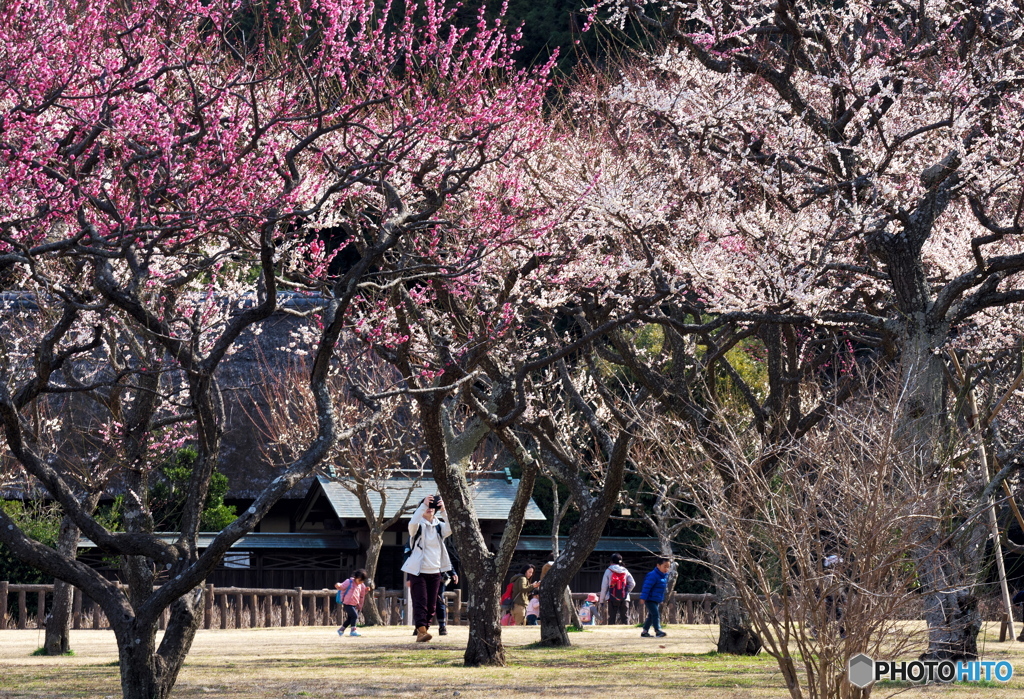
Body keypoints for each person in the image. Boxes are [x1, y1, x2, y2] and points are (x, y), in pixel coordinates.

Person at [401, 494, 453, 642]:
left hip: (435, 571)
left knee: (431, 606)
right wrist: (423, 504)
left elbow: (450, 528)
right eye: (427, 507)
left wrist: (443, 510)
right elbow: (412, 524)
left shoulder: (439, 526)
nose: (430, 509)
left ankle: (422, 630)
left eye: (432, 507)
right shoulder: (417, 527)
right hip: (418, 571)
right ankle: (422, 631)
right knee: (420, 602)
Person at [599, 553, 636, 625]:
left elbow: (604, 587)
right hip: (624, 597)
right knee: (625, 618)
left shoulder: (608, 570)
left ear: (611, 561)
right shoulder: (625, 570)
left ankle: (611, 634)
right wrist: (626, 591)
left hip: (611, 597)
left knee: (612, 618)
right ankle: (627, 634)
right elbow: (633, 583)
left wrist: (601, 600)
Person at [639, 557, 672, 638]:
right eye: (665, 566)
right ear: (658, 565)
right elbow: (646, 587)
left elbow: (660, 590)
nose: (666, 569)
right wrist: (643, 598)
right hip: (650, 599)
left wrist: (660, 599)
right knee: (655, 614)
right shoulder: (652, 575)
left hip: (656, 599)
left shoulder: (663, 576)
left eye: (668, 567)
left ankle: (644, 631)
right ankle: (658, 630)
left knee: (651, 615)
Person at [434, 538, 460, 636]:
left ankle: (442, 625)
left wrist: (452, 572)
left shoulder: (439, 544)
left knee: (439, 600)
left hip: (438, 576)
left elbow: (446, 560)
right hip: (424, 575)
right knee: (423, 601)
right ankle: (420, 627)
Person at [335, 569, 370, 637]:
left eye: (362, 581)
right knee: (355, 616)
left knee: (350, 618)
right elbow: (341, 587)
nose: (360, 582)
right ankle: (353, 630)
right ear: (356, 577)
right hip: (347, 603)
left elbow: (362, 593)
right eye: (359, 580)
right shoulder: (349, 582)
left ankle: (341, 630)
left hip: (354, 603)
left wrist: (366, 590)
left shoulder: (361, 585)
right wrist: (338, 585)